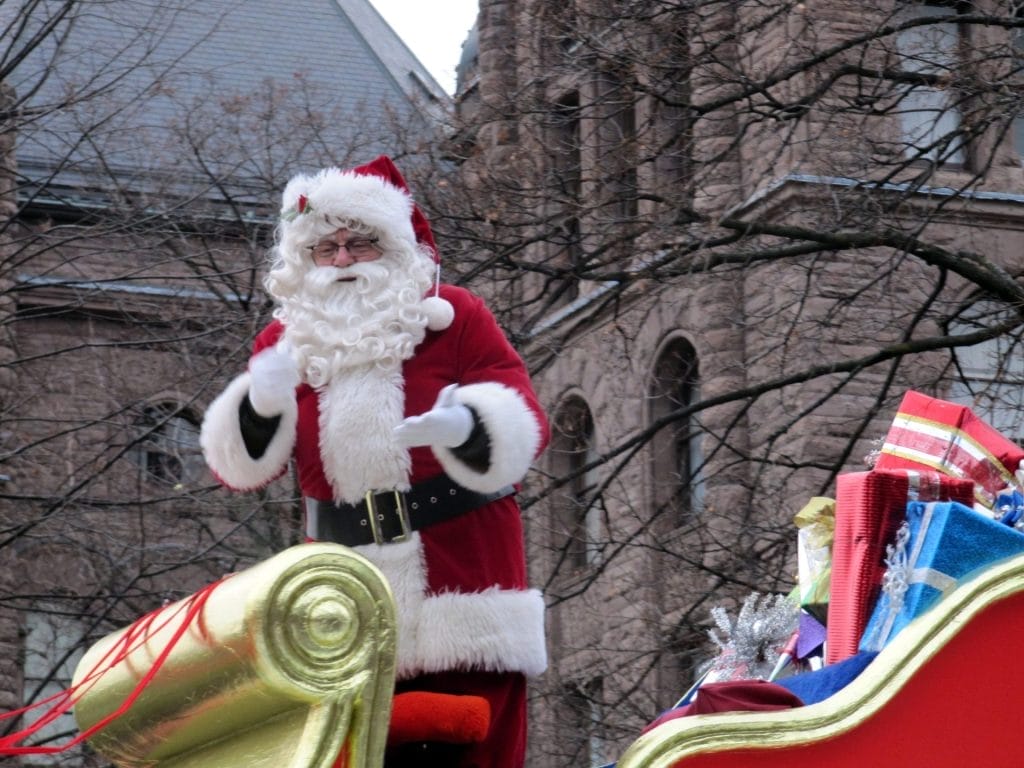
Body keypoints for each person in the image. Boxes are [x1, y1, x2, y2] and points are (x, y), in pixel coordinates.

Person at [200, 156, 549, 768]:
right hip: (340, 597)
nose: (340, 261)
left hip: (461, 583)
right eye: (325, 248)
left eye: (359, 244)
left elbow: (525, 417)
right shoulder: (284, 342)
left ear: (394, 249)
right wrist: (259, 405)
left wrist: (466, 426)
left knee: (470, 742)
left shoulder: (456, 316)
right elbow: (242, 469)